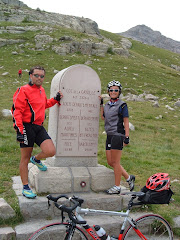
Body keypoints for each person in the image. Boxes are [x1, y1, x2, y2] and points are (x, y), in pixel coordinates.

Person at [12, 66, 63, 199]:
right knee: (25, 158)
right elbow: (17, 111)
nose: (39, 78)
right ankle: (25, 186)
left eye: (42, 76)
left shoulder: (41, 90)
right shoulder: (23, 90)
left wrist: (55, 100)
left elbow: (43, 104)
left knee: (51, 150)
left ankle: (37, 159)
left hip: (39, 127)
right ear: (30, 75)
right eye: (36, 75)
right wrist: (19, 130)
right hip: (26, 127)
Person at [100, 80, 135, 194]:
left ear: (119, 92)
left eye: (116, 90)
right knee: (110, 162)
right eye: (111, 90)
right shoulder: (107, 105)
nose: (113, 92)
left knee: (115, 162)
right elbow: (103, 117)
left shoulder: (122, 105)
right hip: (109, 135)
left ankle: (117, 186)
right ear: (108, 92)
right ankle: (129, 178)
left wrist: (127, 136)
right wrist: (101, 104)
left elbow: (126, 121)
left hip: (118, 135)